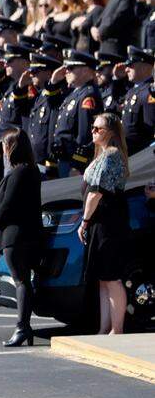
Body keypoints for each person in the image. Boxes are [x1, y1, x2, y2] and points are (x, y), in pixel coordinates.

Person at [0, 128, 42, 347]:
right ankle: (23, 328)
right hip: (25, 233)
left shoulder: (20, 172)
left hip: (16, 235)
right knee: (23, 281)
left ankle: (22, 327)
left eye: (5, 146)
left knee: (20, 281)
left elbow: (8, 203)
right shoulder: (28, 170)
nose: (3, 150)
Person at [79, 112, 131, 334]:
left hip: (109, 221)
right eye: (92, 127)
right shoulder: (103, 155)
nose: (93, 131)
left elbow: (96, 192)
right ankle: (104, 328)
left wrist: (84, 221)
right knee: (102, 279)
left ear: (110, 132)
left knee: (112, 277)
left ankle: (116, 329)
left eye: (98, 128)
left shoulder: (111, 155)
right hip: (101, 221)